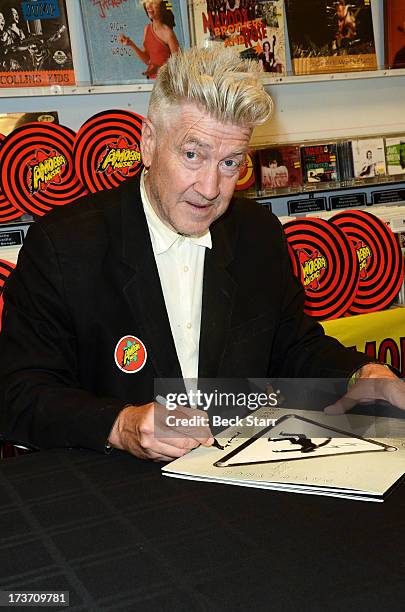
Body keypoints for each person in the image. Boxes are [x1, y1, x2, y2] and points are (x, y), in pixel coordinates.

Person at [0, 47, 401, 462]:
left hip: (234, 479)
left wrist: (361, 373)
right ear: (149, 143)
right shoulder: (65, 244)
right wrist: (120, 424)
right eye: (193, 155)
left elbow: (292, 347)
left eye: (230, 163)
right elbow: (18, 392)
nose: (210, 188)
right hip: (111, 487)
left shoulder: (257, 234)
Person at [119, 0, 179, 79]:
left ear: (162, 7)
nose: (148, 6)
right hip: (151, 81)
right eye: (147, 2)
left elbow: (178, 65)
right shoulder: (147, 29)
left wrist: (159, 69)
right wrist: (131, 44)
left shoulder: (169, 34)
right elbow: (148, 60)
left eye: (153, 3)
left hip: (165, 83)